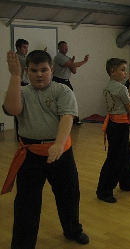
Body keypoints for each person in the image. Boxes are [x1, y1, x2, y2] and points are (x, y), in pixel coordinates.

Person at [2, 50, 89, 248]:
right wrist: (15, 76)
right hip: (30, 154)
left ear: (51, 70)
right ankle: (23, 244)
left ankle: (72, 230)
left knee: (69, 195)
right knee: (26, 203)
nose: (39, 74)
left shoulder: (62, 90)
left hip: (60, 152)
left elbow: (67, 117)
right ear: (27, 71)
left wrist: (58, 144)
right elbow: (13, 110)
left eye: (43, 70)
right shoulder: (21, 91)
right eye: (33, 70)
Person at [96, 58, 130, 204]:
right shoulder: (119, 88)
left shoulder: (111, 87)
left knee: (125, 155)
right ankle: (104, 190)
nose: (125, 73)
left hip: (115, 126)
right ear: (113, 71)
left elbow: (127, 101)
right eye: (123, 69)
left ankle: (128, 183)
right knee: (115, 159)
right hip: (118, 126)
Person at [52, 41, 89, 125]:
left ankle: (74, 119)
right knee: (59, 101)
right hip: (58, 80)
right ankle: (60, 120)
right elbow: (71, 65)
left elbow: (74, 71)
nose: (66, 48)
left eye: (67, 47)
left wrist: (72, 63)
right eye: (64, 47)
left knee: (71, 100)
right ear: (59, 48)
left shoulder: (67, 58)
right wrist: (84, 61)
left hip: (66, 81)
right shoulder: (59, 57)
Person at [14, 39, 30, 141]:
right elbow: (28, 64)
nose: (26, 49)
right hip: (19, 85)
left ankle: (26, 133)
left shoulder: (25, 58)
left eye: (27, 47)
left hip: (27, 84)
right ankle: (19, 135)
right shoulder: (16, 58)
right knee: (19, 110)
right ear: (18, 48)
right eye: (24, 47)